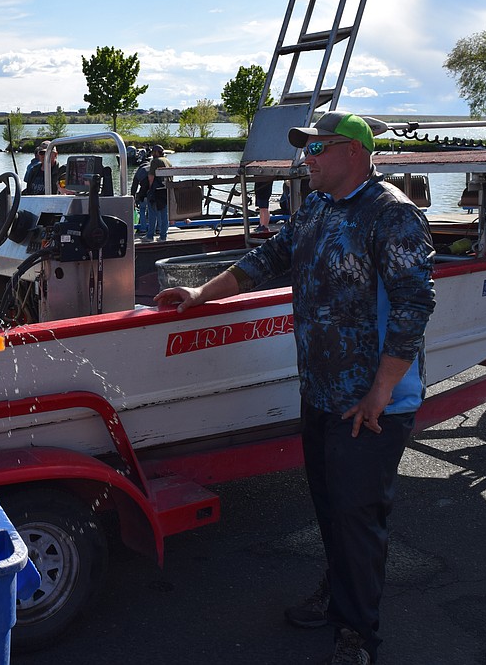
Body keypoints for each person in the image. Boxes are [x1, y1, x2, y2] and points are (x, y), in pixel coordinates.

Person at [155, 112, 435, 665]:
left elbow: (414, 305)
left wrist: (381, 390)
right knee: (330, 508)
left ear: (353, 152)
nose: (306, 160)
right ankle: (338, 596)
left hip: (371, 404)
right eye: (305, 150)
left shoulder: (391, 214)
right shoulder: (316, 209)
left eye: (317, 150)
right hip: (322, 393)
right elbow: (265, 260)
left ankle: (357, 637)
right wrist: (198, 294)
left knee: (359, 520)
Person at [144, 144, 172, 241]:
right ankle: (163, 236)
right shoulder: (167, 161)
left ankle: (150, 236)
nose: (152, 154)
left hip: (156, 191)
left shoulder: (155, 161)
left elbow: (151, 176)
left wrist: (149, 188)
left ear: (156, 152)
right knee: (164, 214)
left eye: (153, 152)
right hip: (166, 190)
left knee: (152, 214)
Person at [131, 158, 151, 235]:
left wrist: (133, 199)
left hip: (143, 194)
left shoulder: (139, 171)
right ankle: (154, 228)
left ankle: (143, 229)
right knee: (151, 211)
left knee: (142, 210)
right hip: (153, 193)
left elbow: (134, 187)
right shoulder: (152, 168)